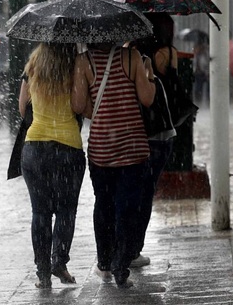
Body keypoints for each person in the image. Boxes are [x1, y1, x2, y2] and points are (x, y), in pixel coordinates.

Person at [71, 42, 155, 289]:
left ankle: (105, 261)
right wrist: (148, 73)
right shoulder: (132, 57)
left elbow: (78, 105)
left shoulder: (83, 61)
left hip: (101, 149)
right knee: (128, 207)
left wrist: (100, 112)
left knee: (104, 204)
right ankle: (121, 263)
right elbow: (147, 98)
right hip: (132, 146)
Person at [18, 43, 86, 289]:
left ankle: (43, 273)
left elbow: (22, 106)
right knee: (66, 211)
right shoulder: (75, 65)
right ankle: (59, 261)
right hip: (67, 148)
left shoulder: (33, 65)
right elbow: (79, 106)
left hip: (34, 148)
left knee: (40, 212)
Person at [131, 13, 179, 268]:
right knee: (146, 193)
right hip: (162, 130)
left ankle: (126, 245)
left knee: (132, 191)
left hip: (137, 130)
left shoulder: (134, 55)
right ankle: (135, 246)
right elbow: (173, 88)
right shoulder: (168, 53)